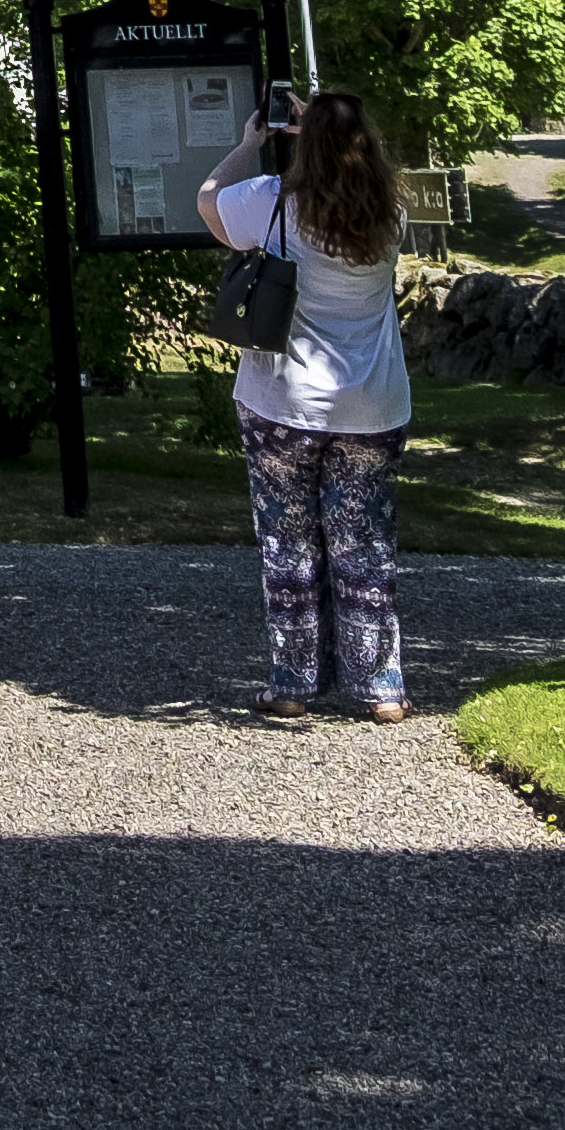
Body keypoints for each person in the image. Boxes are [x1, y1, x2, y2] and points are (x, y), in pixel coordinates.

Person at [198, 83, 412, 720]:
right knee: (364, 544)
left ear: (304, 144)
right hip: (372, 404)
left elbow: (208, 203)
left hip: (281, 400)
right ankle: (380, 687)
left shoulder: (273, 205)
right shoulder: (390, 213)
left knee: (287, 543)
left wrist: (250, 143)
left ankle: (293, 684)